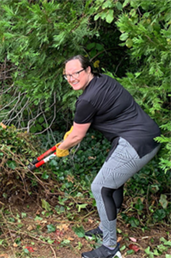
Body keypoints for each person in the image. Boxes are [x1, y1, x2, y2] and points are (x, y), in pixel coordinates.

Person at [55, 55, 160, 258]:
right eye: (66, 75)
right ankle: (105, 228)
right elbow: (80, 126)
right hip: (146, 136)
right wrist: (72, 134)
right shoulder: (104, 80)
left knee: (100, 187)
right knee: (112, 181)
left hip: (135, 142)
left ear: (87, 70)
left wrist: (63, 146)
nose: (71, 78)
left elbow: (77, 135)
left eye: (75, 73)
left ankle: (110, 248)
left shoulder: (86, 100)